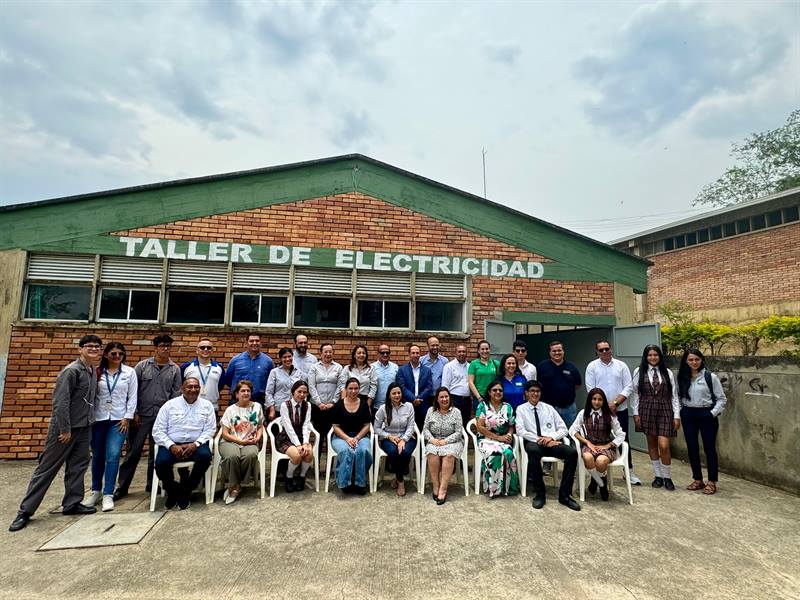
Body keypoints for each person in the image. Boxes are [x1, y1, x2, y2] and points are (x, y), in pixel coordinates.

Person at [9, 335, 102, 532]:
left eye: (97, 346)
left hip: (84, 427)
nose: (94, 349)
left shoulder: (92, 370)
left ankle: (72, 503)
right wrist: (65, 429)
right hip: (65, 430)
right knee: (47, 469)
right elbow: (61, 403)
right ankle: (25, 511)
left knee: (78, 466)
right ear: (80, 349)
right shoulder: (71, 371)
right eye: (89, 346)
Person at [115, 334, 182, 500]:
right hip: (141, 416)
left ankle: (152, 485)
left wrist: (170, 418)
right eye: (162, 346)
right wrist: (134, 412)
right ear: (156, 348)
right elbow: (132, 392)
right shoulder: (142, 366)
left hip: (161, 418)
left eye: (168, 346)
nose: (165, 349)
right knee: (133, 452)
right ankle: (122, 487)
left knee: (156, 452)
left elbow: (175, 396)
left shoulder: (174, 369)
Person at [86, 342, 137, 513]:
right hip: (98, 419)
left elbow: (132, 396)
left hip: (118, 420)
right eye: (113, 353)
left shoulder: (129, 373)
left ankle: (108, 493)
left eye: (120, 354)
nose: (117, 357)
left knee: (113, 455)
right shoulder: (97, 372)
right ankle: (95, 491)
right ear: (106, 354)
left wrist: (127, 417)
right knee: (98, 455)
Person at [152, 378, 217, 510]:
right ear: (182, 388)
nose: (193, 390)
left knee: (205, 457)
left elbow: (210, 429)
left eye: (196, 387)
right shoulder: (169, 405)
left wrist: (196, 444)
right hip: (172, 444)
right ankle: (173, 490)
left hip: (196, 444)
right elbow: (157, 430)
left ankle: (186, 489)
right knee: (161, 463)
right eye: (189, 387)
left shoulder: (207, 405)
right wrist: (171, 445)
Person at [516, 380, 580, 511]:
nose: (535, 394)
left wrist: (551, 438)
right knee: (532, 450)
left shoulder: (549, 408)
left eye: (538, 391)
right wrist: (540, 439)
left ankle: (565, 495)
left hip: (551, 443)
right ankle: (540, 494)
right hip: (534, 443)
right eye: (532, 391)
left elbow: (563, 429)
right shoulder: (521, 409)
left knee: (572, 453)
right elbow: (520, 431)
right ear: (526, 393)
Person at [584, 340, 641, 485]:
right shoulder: (592, 366)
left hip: (619, 409)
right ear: (596, 352)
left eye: (606, 349)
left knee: (623, 440)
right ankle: (596, 471)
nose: (604, 352)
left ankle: (629, 471)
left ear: (611, 349)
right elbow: (591, 389)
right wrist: (603, 406)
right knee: (596, 439)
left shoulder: (621, 366)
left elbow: (629, 387)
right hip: (598, 411)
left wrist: (615, 403)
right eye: (601, 350)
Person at [624, 344, 680, 491]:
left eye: (655, 355)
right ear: (645, 357)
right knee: (652, 443)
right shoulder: (639, 371)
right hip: (646, 409)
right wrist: (635, 413)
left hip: (665, 409)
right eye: (650, 355)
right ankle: (658, 476)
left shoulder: (667, 372)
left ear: (659, 357)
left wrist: (677, 415)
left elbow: (673, 395)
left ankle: (667, 476)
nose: (653, 358)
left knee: (664, 445)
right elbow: (635, 393)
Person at [677, 348, 727, 495]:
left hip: (706, 414)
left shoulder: (710, 377)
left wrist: (712, 413)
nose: (694, 362)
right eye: (691, 359)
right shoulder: (682, 377)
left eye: (697, 359)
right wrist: (681, 411)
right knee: (692, 448)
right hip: (688, 414)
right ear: (686, 361)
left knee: (709, 448)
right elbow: (678, 397)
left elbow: (721, 398)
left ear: (701, 360)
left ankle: (712, 481)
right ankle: (698, 479)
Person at [569, 388, 626, 501]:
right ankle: (601, 483)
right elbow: (572, 430)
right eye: (594, 399)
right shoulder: (583, 413)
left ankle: (595, 481)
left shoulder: (610, 415)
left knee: (600, 461)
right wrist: (586, 442)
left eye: (600, 399)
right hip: (589, 445)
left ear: (603, 401)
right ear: (590, 400)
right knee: (587, 457)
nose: (596, 402)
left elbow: (621, 434)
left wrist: (608, 445)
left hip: (606, 446)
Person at [218, 380, 264, 505]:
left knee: (250, 456)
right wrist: (239, 441)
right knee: (232, 456)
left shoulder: (257, 407)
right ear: (236, 394)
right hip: (230, 441)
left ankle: (233, 485)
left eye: (248, 391)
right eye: (242, 391)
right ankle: (236, 487)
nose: (246, 393)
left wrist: (258, 437)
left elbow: (260, 426)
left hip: (250, 442)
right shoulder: (230, 409)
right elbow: (225, 433)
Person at [475, 379, 520, 498]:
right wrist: (497, 438)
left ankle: (509, 488)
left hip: (503, 439)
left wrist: (509, 435)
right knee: (495, 454)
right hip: (486, 439)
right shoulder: (483, 406)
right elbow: (480, 427)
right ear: (489, 392)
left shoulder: (508, 407)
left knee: (509, 453)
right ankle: (494, 489)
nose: (498, 392)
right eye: (495, 390)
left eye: (500, 390)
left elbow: (511, 425)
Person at [330, 378, 373, 494]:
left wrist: (357, 438)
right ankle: (344, 482)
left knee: (363, 451)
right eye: (350, 388)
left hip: (361, 436)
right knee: (345, 451)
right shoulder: (339, 405)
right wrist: (348, 439)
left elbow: (367, 426)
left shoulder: (364, 404)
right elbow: (335, 426)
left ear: (359, 389)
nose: (353, 391)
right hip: (341, 437)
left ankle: (360, 483)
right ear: (346, 390)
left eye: (356, 388)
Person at [423, 387, 464, 505]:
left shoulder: (456, 412)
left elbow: (458, 432)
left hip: (452, 441)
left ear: (450, 398)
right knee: (432, 453)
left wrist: (446, 441)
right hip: (435, 440)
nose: (444, 399)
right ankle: (436, 485)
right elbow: (425, 429)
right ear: (437, 399)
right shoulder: (430, 411)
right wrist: (432, 439)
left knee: (449, 456)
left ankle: (443, 489)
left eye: (446, 396)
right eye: (441, 397)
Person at [373, 382, 416, 496]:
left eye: (398, 393)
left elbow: (411, 426)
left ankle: (397, 478)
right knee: (393, 452)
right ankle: (401, 482)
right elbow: (376, 428)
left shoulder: (409, 406)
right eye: (394, 393)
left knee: (405, 452)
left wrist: (404, 439)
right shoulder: (383, 409)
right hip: (388, 438)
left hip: (407, 437)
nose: (397, 395)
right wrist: (389, 436)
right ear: (389, 395)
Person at [536, 341, 582, 427]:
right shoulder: (542, 367)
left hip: (568, 409)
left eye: (559, 350)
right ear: (550, 353)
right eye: (554, 351)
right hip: (548, 408)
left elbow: (577, 385)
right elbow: (536, 385)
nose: (557, 353)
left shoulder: (571, 367)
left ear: (563, 351)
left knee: (570, 433)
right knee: (550, 433)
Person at [225, 333, 274, 406]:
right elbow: (228, 379)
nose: (254, 343)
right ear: (246, 343)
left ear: (260, 343)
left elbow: (271, 382)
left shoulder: (268, 361)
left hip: (258, 401)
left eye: (257, 341)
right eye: (251, 341)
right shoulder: (236, 360)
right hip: (237, 401)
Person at [307, 342, 342, 442]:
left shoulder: (338, 367)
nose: (328, 354)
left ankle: (330, 457)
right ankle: (317, 457)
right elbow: (311, 386)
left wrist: (333, 402)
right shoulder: (314, 367)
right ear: (321, 353)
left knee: (331, 434)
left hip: (333, 407)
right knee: (318, 435)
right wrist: (319, 403)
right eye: (325, 352)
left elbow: (340, 386)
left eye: (330, 352)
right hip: (317, 407)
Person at [180, 338, 225, 410]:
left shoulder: (219, 368)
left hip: (211, 407)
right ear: (197, 351)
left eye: (209, 348)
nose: (206, 349)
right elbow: (181, 385)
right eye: (202, 347)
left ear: (212, 351)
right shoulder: (186, 367)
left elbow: (220, 386)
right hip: (189, 407)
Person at [396, 343, 433, 429]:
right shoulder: (402, 370)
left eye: (417, 353)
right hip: (407, 404)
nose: (415, 355)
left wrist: (418, 399)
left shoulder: (427, 370)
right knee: (407, 428)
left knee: (422, 428)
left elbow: (429, 387)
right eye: (413, 353)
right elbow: (402, 387)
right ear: (409, 354)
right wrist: (413, 399)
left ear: (420, 354)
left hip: (423, 404)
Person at [265, 347, 304, 421]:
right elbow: (269, 392)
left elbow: (302, 391)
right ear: (280, 359)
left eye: (289, 356)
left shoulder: (299, 372)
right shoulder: (274, 372)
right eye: (284, 357)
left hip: (294, 410)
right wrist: (272, 409)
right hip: (278, 409)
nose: (287, 359)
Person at [336, 344, 377, 408]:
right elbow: (343, 386)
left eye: (363, 353)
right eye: (359, 353)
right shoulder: (347, 369)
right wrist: (343, 404)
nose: (361, 355)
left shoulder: (371, 369)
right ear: (354, 355)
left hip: (365, 400)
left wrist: (368, 405)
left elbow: (373, 387)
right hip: (349, 400)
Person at [441, 344, 471, 428]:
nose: (461, 353)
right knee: (452, 423)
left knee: (465, 423)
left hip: (467, 400)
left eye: (463, 351)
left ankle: (463, 441)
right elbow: (445, 386)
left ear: (466, 353)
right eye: (459, 351)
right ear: (455, 353)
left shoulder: (470, 367)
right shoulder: (449, 366)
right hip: (454, 399)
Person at [467, 339, 499, 409]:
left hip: (493, 397)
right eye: (482, 349)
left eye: (487, 349)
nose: (485, 351)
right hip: (479, 397)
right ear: (478, 351)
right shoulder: (473, 364)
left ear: (489, 350)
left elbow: (500, 380)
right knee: (481, 418)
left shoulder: (496, 364)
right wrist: (478, 397)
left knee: (494, 419)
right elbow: (470, 382)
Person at [371, 343, 399, 417]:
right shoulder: (372, 368)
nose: (385, 355)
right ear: (378, 354)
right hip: (376, 406)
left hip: (392, 406)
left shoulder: (395, 367)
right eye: (382, 353)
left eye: (387, 352)